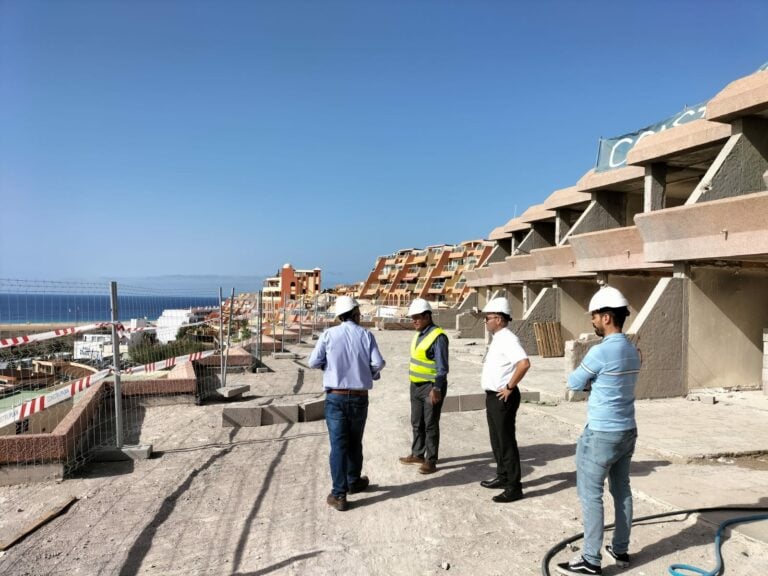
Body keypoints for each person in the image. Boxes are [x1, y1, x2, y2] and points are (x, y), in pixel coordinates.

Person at [557, 286, 640, 576]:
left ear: (606, 317)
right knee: (622, 490)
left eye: (594, 316)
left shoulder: (600, 351)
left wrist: (591, 384)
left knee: (591, 494)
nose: (592, 321)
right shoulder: (632, 350)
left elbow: (574, 382)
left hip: (601, 433)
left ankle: (590, 559)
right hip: (627, 430)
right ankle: (620, 548)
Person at [308, 295, 386, 512]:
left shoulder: (328, 335)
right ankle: (353, 481)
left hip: (336, 397)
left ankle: (339, 494)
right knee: (355, 441)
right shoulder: (366, 335)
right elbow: (378, 363)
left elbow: (313, 361)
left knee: (338, 445)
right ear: (354, 313)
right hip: (360, 397)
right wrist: (367, 373)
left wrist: (329, 366)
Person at [479, 296, 531, 503]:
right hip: (493, 396)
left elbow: (524, 363)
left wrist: (510, 387)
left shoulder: (508, 338)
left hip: (503, 397)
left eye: (488, 318)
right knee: (497, 441)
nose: (486, 322)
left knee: (506, 442)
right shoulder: (498, 338)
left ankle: (514, 487)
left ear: (499, 319)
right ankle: (502, 476)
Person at [398, 298, 449, 475]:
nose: (414, 321)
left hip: (431, 387)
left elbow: (442, 368)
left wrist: (437, 389)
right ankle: (418, 454)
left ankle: (431, 460)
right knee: (416, 422)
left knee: (430, 424)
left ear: (427, 316)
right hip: (416, 386)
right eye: (413, 318)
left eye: (417, 317)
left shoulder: (438, 337)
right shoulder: (418, 335)